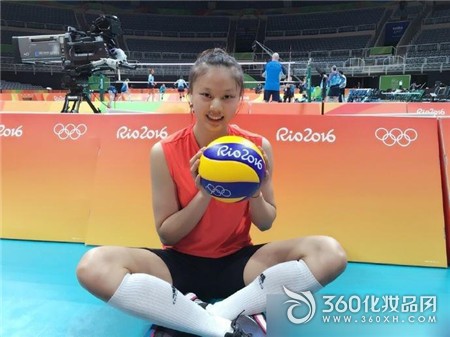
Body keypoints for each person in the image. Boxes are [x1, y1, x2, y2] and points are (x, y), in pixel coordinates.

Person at [76, 48, 347, 337]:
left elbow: (266, 222)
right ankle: (220, 327)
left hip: (240, 264)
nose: (216, 106)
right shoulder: (164, 151)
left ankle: (207, 314)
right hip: (178, 266)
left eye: (227, 97)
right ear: (189, 95)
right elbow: (168, 235)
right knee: (93, 267)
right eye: (206, 95)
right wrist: (204, 191)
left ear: (240, 99)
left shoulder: (256, 148)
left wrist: (254, 192)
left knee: (330, 254)